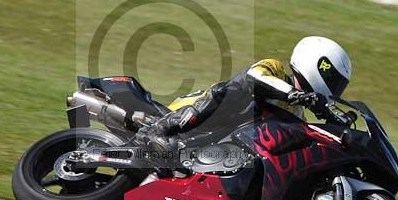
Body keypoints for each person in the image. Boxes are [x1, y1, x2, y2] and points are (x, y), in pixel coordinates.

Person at [138, 36, 352, 148]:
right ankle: (161, 129)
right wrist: (296, 95)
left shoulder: (296, 114)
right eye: (333, 81)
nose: (333, 90)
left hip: (218, 144)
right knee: (237, 89)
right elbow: (254, 78)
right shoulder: (275, 69)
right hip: (191, 113)